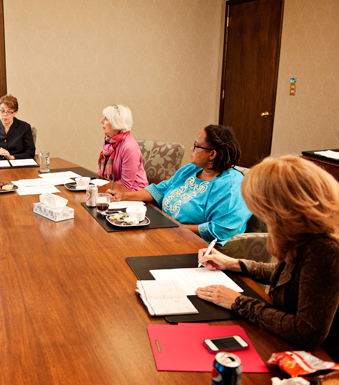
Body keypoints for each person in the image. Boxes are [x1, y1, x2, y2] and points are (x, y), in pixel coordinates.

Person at [196, 156, 339, 360]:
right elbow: (289, 276)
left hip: (316, 360)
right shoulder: (304, 233)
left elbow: (307, 332)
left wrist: (238, 301)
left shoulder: (324, 249)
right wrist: (234, 263)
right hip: (284, 341)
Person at [108, 124, 251, 245]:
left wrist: (174, 228)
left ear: (212, 154)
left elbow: (220, 230)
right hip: (163, 231)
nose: (191, 149)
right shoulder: (192, 169)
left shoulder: (232, 187)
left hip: (193, 245)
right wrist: (124, 196)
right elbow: (161, 190)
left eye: (196, 145)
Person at [97, 104, 147, 191]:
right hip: (113, 188)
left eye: (106, 119)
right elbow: (101, 171)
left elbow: (125, 184)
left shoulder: (129, 147)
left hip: (133, 192)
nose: (101, 121)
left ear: (116, 123)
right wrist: (93, 184)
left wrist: (100, 188)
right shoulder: (108, 141)